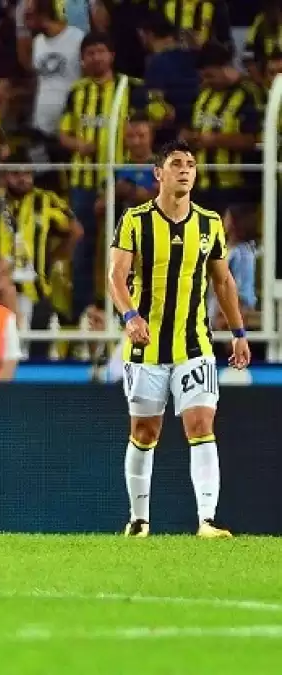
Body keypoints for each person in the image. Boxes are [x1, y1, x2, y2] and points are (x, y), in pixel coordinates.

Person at [108, 140, 251, 539]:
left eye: (190, 164)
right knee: (144, 432)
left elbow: (223, 281)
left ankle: (207, 520)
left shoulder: (209, 223)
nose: (185, 169)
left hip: (195, 345)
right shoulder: (135, 220)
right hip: (146, 346)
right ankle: (139, 521)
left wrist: (238, 333)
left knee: (201, 423)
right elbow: (115, 276)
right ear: (159, 173)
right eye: (176, 163)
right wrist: (130, 315)